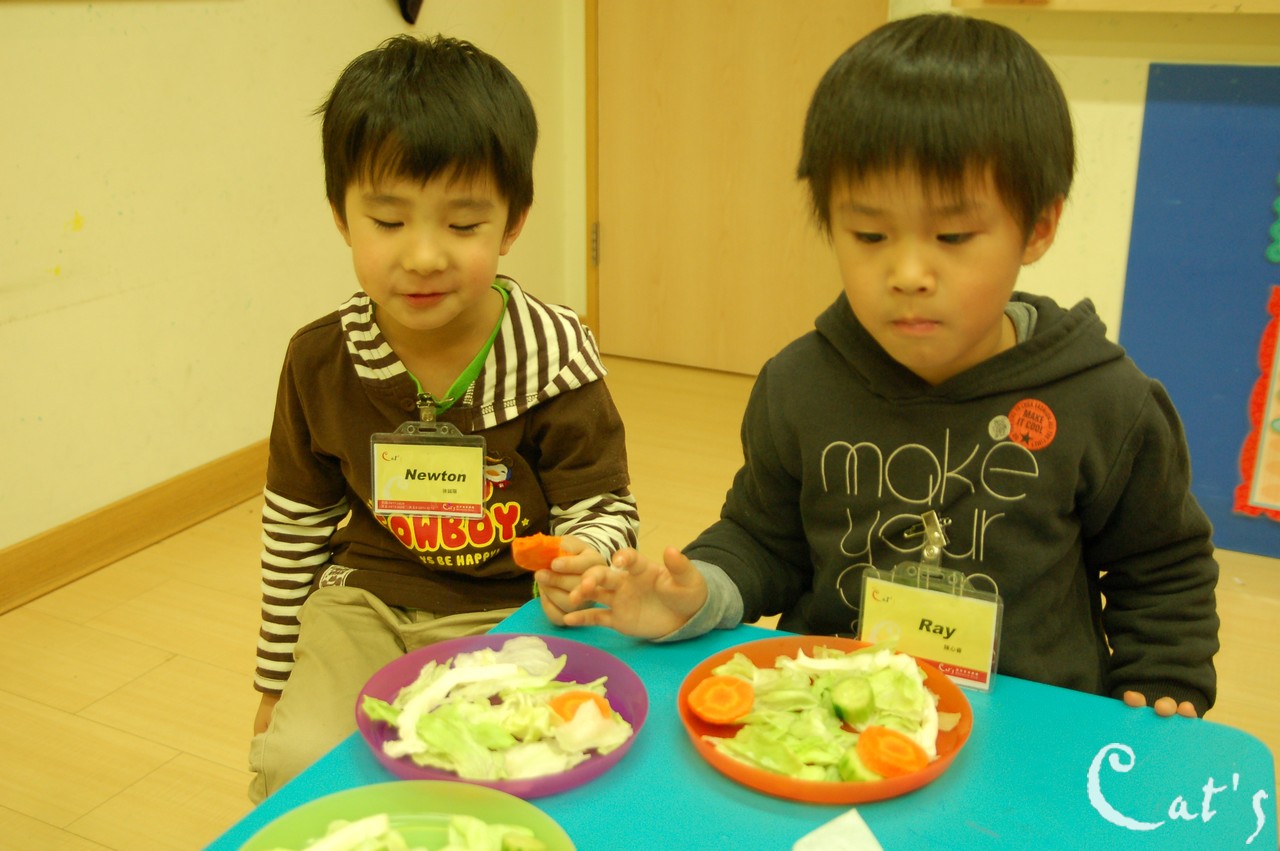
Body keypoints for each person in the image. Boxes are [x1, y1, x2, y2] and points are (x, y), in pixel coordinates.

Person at [553, 13, 1219, 720]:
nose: (907, 273)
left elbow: (1161, 565)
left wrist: (1164, 677)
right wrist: (700, 593)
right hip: (837, 712)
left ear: (1040, 227)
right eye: (870, 234)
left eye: (952, 235)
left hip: (1029, 725)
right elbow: (763, 538)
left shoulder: (1104, 400)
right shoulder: (799, 385)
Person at [247, 34, 638, 801]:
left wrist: (583, 556)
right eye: (388, 221)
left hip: (510, 606)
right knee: (297, 763)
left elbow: (604, 505)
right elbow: (294, 525)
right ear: (341, 216)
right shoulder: (320, 359)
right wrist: (273, 679)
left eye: (462, 226)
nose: (424, 256)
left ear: (512, 222)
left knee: (504, 765)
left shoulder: (553, 354)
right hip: (364, 596)